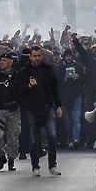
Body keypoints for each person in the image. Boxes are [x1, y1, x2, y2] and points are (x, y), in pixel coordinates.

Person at [12, 45, 64, 176]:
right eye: (34, 56)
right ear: (30, 57)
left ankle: (52, 165)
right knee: (34, 139)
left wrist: (58, 106)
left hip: (47, 107)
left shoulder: (48, 70)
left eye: (39, 56)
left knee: (52, 136)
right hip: (31, 109)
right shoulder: (23, 72)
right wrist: (28, 86)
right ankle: (35, 167)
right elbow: (16, 91)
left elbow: (55, 89)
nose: (37, 58)